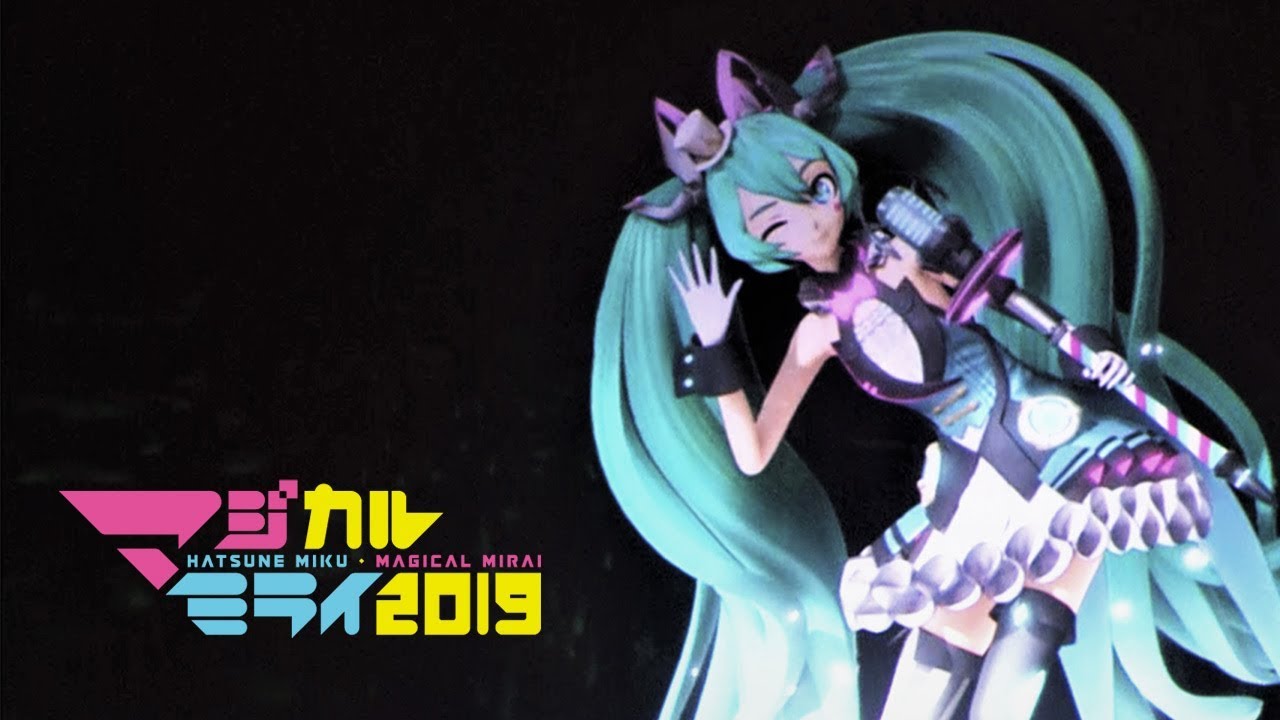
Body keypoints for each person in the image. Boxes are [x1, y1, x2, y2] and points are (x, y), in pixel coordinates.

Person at [592, 32, 1280, 719]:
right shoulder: (818, 331)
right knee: (935, 663)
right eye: (777, 225)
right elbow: (753, 454)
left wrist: (1092, 346)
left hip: (1050, 439)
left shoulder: (903, 248)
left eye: (817, 188)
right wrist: (716, 350)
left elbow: (1009, 298)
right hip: (968, 484)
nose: (812, 220)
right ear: (761, 246)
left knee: (1033, 624)